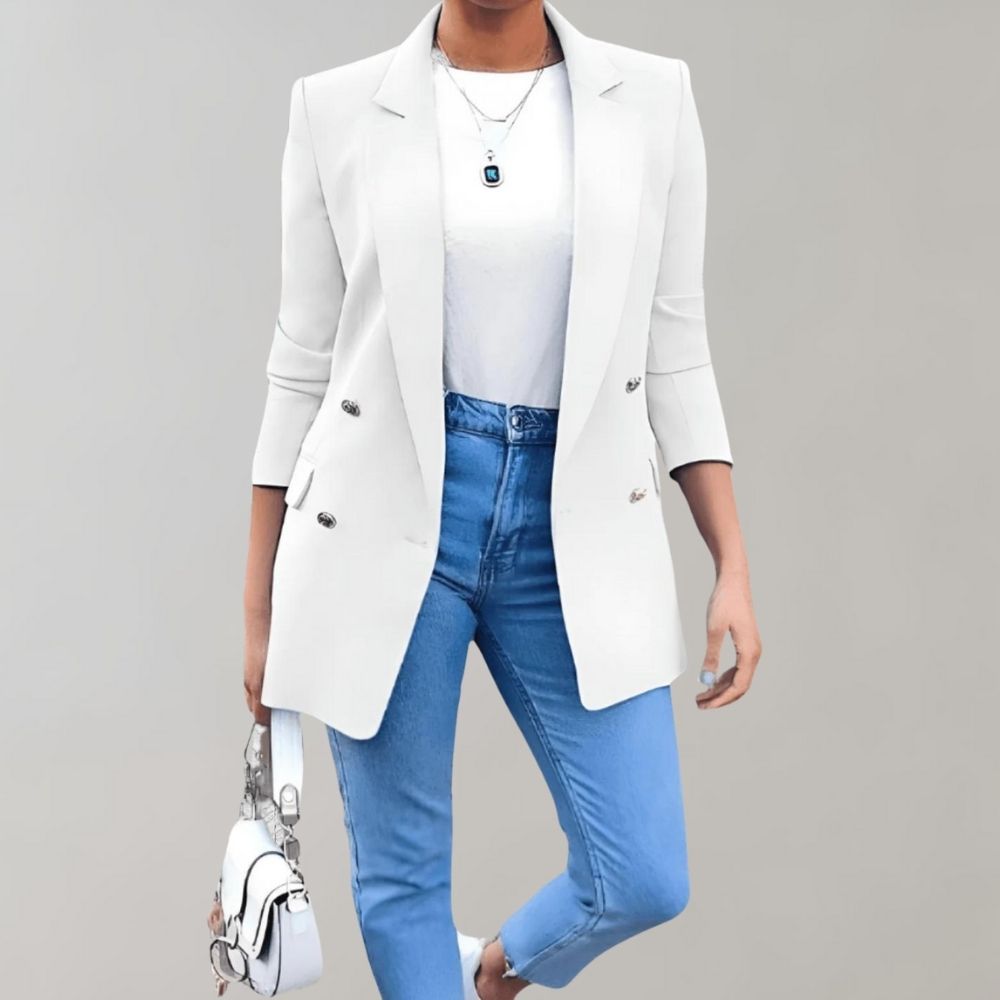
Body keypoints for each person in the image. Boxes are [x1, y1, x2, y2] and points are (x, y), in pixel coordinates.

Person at [242, 1, 762, 996]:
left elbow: (676, 346)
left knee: (643, 871)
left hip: (573, 519)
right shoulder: (335, 108)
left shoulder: (652, 100)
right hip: (383, 514)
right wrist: (259, 605)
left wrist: (730, 561)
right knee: (401, 882)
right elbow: (300, 364)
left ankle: (490, 975)